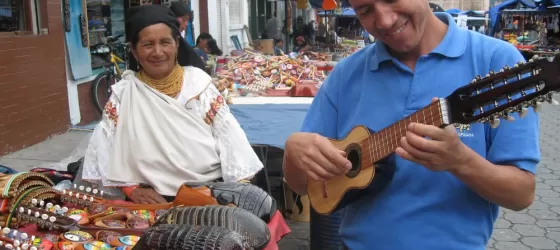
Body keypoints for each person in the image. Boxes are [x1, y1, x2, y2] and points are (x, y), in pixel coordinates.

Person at [282, 0, 540, 249]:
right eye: (365, 10)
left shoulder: (497, 61)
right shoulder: (346, 74)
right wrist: (293, 153)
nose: (384, 20)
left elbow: (521, 195)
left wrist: (461, 161)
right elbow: (305, 186)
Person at [82, 5, 263, 204]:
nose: (158, 52)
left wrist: (235, 193)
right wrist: (132, 190)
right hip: (151, 202)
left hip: (207, 193)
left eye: (165, 42)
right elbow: (102, 149)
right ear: (134, 51)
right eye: (148, 44)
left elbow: (230, 139)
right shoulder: (123, 95)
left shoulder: (199, 86)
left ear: (177, 44)